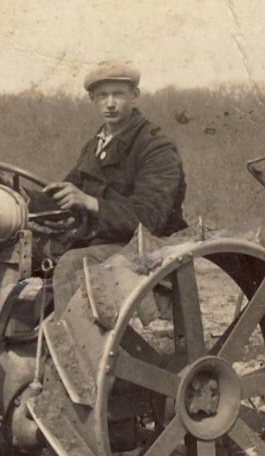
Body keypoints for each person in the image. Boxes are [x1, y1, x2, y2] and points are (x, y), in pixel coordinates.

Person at [44, 60, 188, 314]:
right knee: (30, 251)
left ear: (134, 95)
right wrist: (5, 194)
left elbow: (149, 218)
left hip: (146, 245)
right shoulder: (96, 145)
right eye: (102, 95)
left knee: (72, 264)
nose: (110, 103)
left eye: (118, 94)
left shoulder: (155, 146)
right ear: (92, 99)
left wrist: (90, 203)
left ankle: (76, 352)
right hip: (103, 240)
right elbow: (64, 194)